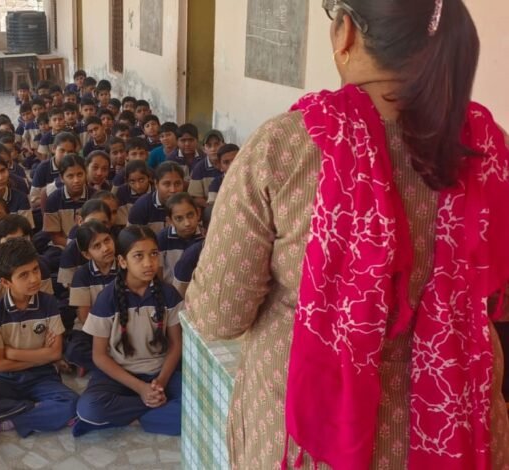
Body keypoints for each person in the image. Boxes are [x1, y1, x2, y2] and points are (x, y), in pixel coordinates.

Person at [186, 1, 509, 469]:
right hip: (457, 433)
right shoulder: (490, 150)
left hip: (314, 440)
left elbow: (220, 314)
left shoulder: (287, 147)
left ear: (347, 33)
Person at [73, 225, 183, 437]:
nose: (148, 263)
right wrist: (141, 389)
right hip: (120, 375)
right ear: (123, 261)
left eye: (153, 254)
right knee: (89, 408)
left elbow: (176, 344)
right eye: (138, 256)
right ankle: (154, 408)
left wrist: (159, 383)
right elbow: (99, 355)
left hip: (160, 374)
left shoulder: (169, 295)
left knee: (202, 405)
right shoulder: (107, 298)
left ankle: (135, 413)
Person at [0, 238, 79, 441]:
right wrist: (41, 355)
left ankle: (7, 422)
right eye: (24, 275)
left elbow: (55, 353)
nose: (34, 279)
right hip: (6, 379)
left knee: (71, 403)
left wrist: (11, 352)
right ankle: (37, 409)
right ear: (6, 282)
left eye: (35, 270)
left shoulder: (49, 303)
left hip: (43, 376)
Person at [66, 220, 118, 374]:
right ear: (86, 254)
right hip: (91, 328)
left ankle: (104, 365)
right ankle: (113, 367)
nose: (106, 248)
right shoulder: (81, 275)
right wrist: (105, 338)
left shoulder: (125, 266)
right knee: (74, 350)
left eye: (107, 240)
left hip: (122, 323)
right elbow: (84, 317)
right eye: (97, 246)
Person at [157, 193, 203, 284]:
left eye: (190, 215)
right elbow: (158, 273)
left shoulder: (205, 237)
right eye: (179, 218)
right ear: (170, 221)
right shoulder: (162, 238)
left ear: (198, 213)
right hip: (170, 287)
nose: (187, 223)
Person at [128, 162, 185, 234]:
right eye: (167, 184)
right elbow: (131, 237)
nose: (173, 190)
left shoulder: (189, 205)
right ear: (156, 184)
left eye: (177, 184)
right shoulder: (141, 207)